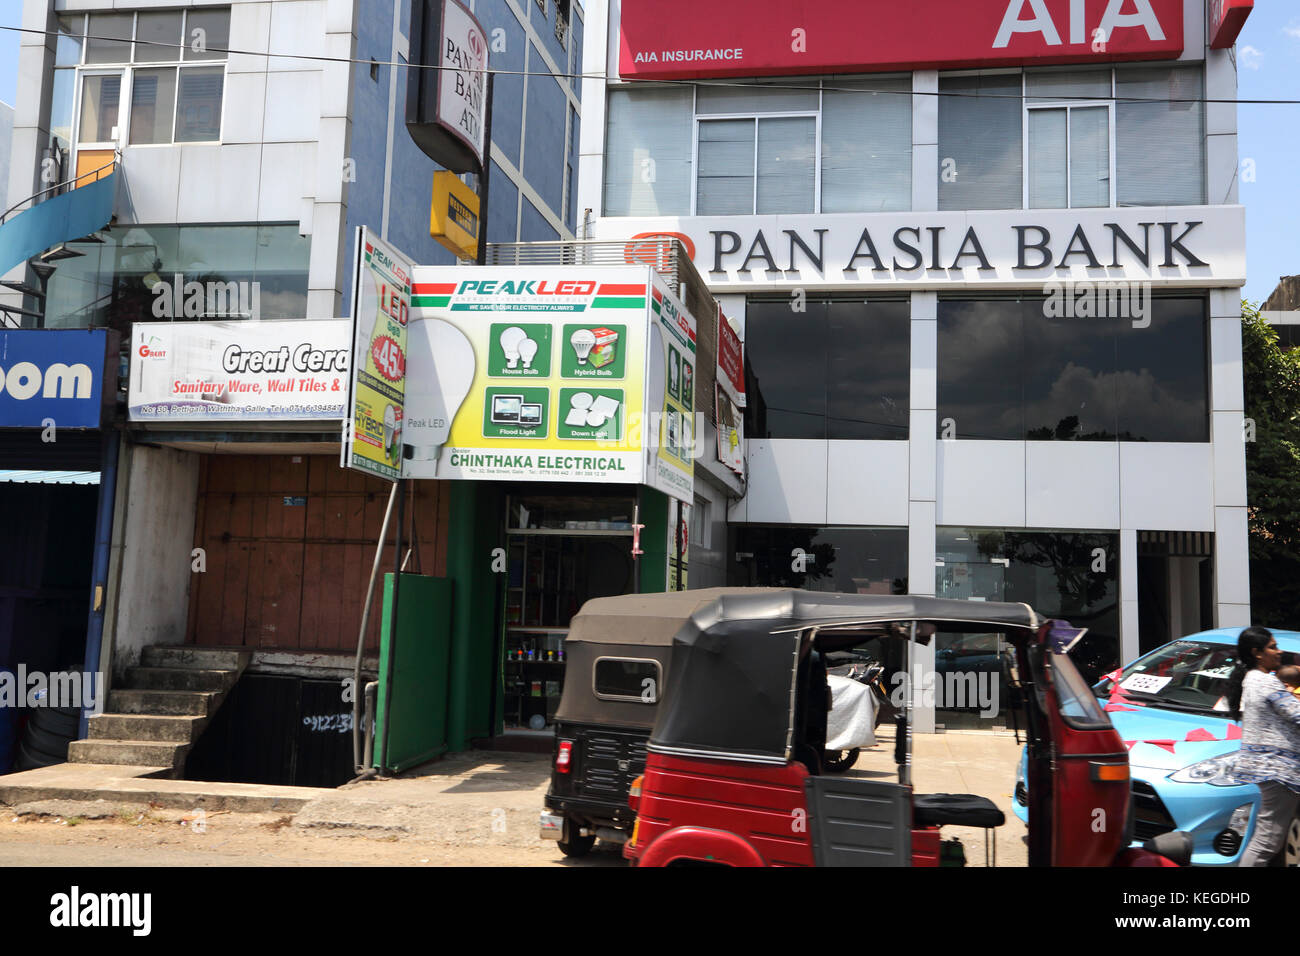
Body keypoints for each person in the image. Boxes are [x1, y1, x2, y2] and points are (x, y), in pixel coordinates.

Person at [1228, 626, 1300, 866]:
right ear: (1257, 653)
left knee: (1271, 839)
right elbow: (1297, 714)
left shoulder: (1252, 680)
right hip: (1279, 772)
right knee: (1267, 842)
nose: (1279, 652)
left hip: (1272, 770)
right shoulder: (1265, 683)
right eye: (1273, 647)